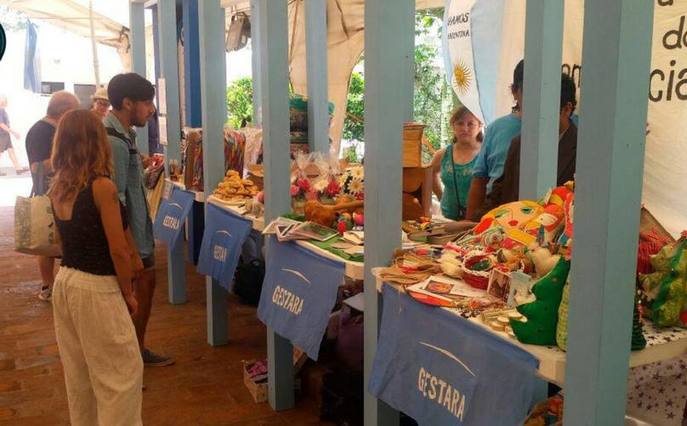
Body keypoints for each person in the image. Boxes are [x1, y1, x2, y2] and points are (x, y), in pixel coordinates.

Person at [49, 109, 143, 425]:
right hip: (97, 286)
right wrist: (128, 292)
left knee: (80, 375)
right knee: (121, 374)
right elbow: (118, 250)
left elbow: (61, 242)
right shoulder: (101, 186)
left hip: (66, 281)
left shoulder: (58, 186)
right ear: (97, 141)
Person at [105, 73, 174, 367]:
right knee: (135, 295)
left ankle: (135, 352)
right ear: (127, 103)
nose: (152, 110)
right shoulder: (115, 141)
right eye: (146, 103)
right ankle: (130, 359)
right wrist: (131, 251)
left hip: (136, 235)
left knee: (144, 289)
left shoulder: (124, 135)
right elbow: (116, 201)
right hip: (131, 238)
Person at [486, 73, 578, 208]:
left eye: (541, 109)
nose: (531, 116)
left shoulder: (583, 151)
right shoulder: (519, 143)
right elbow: (499, 196)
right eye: (528, 108)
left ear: (566, 109)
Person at [25, 90, 80, 301]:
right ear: (64, 111)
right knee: (47, 244)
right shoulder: (39, 131)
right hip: (48, 196)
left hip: (64, 193)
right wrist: (66, 156)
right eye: (74, 111)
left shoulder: (58, 129)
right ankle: (48, 286)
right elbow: (36, 167)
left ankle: (62, 285)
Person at [466, 60, 524, 220]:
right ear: (515, 91)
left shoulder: (571, 128)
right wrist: (468, 226)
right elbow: (480, 180)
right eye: (529, 90)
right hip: (497, 215)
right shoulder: (496, 129)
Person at [430, 107, 483, 220]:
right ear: (453, 126)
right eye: (460, 123)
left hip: (478, 219)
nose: (465, 128)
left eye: (470, 124)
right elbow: (431, 174)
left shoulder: (486, 154)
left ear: (480, 127)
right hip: (448, 218)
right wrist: (441, 197)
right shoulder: (442, 154)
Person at [0, 94, 29, 175]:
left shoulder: (3, 111)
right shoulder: (1, 111)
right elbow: (1, 124)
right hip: (1, 135)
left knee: (11, 151)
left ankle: (18, 169)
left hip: (5, 135)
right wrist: (13, 132)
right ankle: (18, 168)